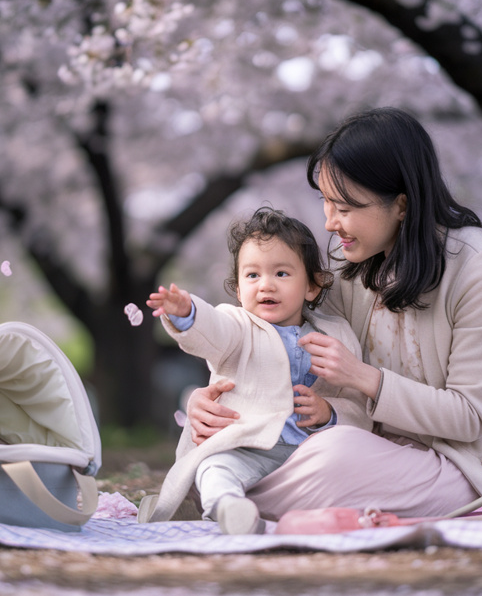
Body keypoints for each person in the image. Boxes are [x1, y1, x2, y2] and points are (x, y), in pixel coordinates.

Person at [185, 108, 482, 521]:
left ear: (402, 205)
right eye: (326, 203)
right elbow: (276, 343)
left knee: (332, 455)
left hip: (465, 468)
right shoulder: (348, 265)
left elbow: (468, 418)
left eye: (346, 207)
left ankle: (228, 497)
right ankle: (228, 492)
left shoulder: (481, 269)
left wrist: (362, 377)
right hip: (370, 452)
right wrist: (213, 402)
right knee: (235, 447)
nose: (330, 222)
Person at [139, 207, 372, 534]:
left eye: (281, 274)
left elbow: (356, 403)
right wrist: (188, 313)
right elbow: (213, 329)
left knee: (345, 469)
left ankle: (292, 517)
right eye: (252, 275)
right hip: (245, 447)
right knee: (214, 468)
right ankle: (229, 509)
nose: (266, 286)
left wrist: (329, 412)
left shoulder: (336, 335)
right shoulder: (237, 327)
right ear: (237, 289)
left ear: (312, 287)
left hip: (309, 454)